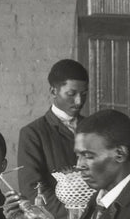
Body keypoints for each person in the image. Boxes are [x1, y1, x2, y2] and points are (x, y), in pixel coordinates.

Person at [16, 58, 88, 201]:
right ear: (53, 91)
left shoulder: (93, 128)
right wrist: (76, 214)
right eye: (71, 94)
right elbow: (33, 191)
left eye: (84, 94)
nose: (79, 101)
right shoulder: (33, 134)